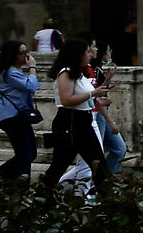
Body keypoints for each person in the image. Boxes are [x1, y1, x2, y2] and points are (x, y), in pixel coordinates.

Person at [38, 42, 110, 194]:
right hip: (70, 122)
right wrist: (93, 94)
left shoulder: (80, 73)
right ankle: (40, 199)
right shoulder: (66, 72)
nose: (89, 55)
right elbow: (67, 100)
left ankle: (110, 203)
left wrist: (96, 99)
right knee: (58, 166)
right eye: (86, 52)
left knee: (99, 164)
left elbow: (82, 96)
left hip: (83, 121)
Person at [0, 40, 41, 181]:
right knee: (25, 155)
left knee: (29, 154)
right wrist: (33, 68)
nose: (26, 56)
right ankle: (2, 178)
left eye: (27, 52)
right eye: (22, 53)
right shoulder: (10, 73)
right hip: (12, 117)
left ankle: (3, 178)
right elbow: (31, 86)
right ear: (12, 55)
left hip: (18, 117)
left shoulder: (15, 72)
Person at [83, 38, 126, 176]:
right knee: (94, 156)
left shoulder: (95, 70)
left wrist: (107, 80)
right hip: (95, 115)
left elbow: (97, 94)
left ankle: (106, 178)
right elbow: (95, 97)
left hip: (100, 113)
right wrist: (110, 122)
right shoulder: (87, 71)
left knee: (119, 149)